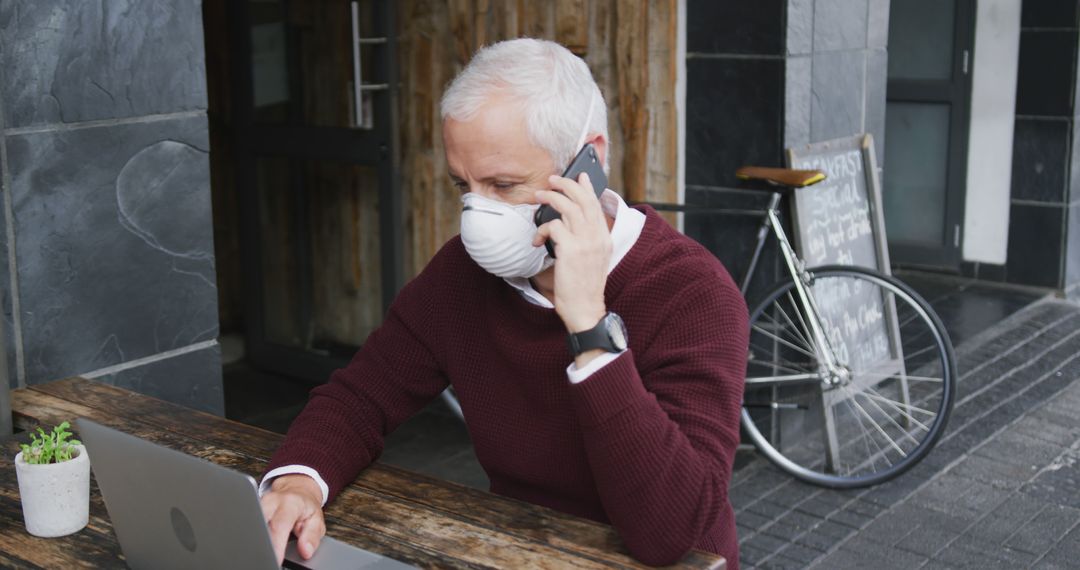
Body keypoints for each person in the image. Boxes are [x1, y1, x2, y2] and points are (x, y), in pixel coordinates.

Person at [258, 38, 748, 568]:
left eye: (505, 185)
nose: (477, 217)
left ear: (590, 162)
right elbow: (363, 394)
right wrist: (299, 480)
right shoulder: (463, 275)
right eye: (463, 186)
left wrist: (589, 327)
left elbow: (678, 533)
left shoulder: (692, 292)